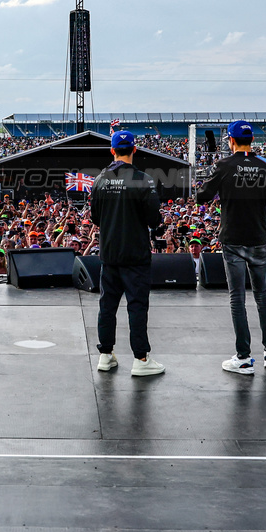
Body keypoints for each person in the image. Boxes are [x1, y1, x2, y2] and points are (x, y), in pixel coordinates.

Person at [196, 120, 266, 375]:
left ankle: (244, 358)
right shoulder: (265, 165)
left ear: (231, 141)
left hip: (233, 239)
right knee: (261, 294)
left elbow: (202, 196)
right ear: (252, 140)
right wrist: (258, 216)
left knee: (237, 298)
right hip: (258, 238)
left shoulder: (224, 165)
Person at [90, 129, 165, 376]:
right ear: (134, 150)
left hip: (109, 253)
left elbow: (95, 218)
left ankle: (105, 355)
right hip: (135, 254)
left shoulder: (100, 179)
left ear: (112, 150)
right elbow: (154, 220)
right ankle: (141, 359)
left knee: (107, 306)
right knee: (137, 306)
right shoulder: (143, 179)